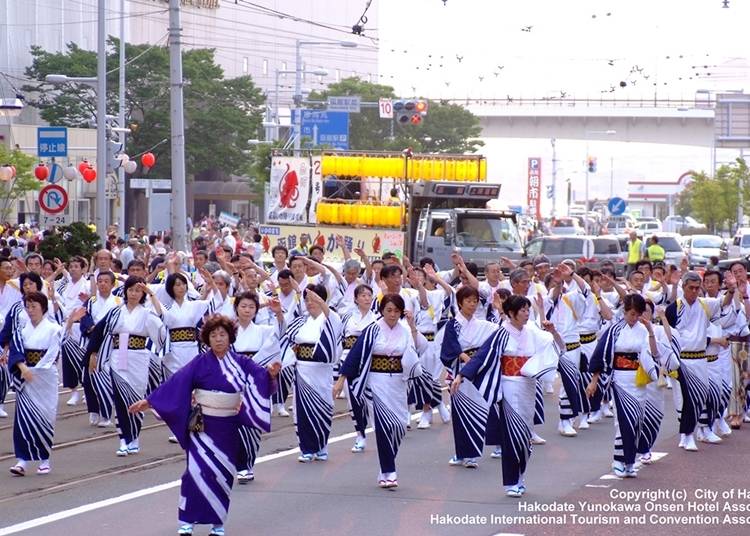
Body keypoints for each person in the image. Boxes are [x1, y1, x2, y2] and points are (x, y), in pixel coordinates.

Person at [128, 315, 280, 536]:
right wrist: (150, 401)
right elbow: (177, 382)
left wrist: (271, 374)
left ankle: (217, 522)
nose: (218, 339)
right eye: (213, 335)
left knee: (222, 474)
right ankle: (187, 520)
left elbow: (261, 379)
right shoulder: (200, 362)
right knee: (195, 472)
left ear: (230, 337)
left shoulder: (242, 363)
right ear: (207, 339)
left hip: (227, 426)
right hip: (202, 427)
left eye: (222, 335)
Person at [453, 295, 563, 497]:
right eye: (522, 310)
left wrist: (554, 332)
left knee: (525, 435)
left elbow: (556, 348)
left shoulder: (532, 332)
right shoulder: (501, 334)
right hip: (509, 386)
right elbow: (481, 356)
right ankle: (511, 482)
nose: (526, 313)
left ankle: (520, 475)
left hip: (529, 385)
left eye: (528, 310)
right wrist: (461, 375)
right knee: (512, 433)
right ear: (511, 313)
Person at [334, 293, 424, 489]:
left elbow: (418, 350)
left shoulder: (406, 330)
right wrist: (341, 379)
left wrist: (413, 326)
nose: (392, 314)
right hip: (377, 382)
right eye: (388, 310)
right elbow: (356, 355)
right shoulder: (373, 329)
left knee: (399, 426)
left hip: (398, 383)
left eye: (396, 311)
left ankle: (386, 466)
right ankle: (389, 471)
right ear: (382, 310)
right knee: (383, 427)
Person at [86, 276, 166, 456]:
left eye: (138, 290)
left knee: (136, 398)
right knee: (120, 398)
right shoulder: (116, 312)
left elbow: (161, 321)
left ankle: (135, 438)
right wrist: (93, 353)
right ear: (125, 291)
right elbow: (100, 331)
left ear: (142, 293)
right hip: (118, 353)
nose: (134, 294)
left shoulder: (146, 312)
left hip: (138, 356)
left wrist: (152, 294)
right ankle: (123, 440)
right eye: (131, 290)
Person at [588, 294, 658, 477]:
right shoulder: (614, 330)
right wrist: (595, 380)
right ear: (625, 311)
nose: (634, 318)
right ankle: (618, 460)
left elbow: (653, 353)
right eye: (631, 314)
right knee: (624, 421)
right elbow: (601, 355)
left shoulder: (644, 330)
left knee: (637, 421)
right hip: (620, 379)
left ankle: (629, 462)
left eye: (637, 314)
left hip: (639, 380)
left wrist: (650, 331)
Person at [280, 283, 342, 462]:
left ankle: (321, 445)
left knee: (323, 407)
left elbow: (334, 329)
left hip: (322, 371)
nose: (310, 303)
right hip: (302, 370)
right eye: (307, 300)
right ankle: (306, 448)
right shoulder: (301, 321)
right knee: (302, 410)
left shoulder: (331, 318)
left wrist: (321, 303)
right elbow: (288, 338)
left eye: (314, 299)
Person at [440, 286, 499, 469]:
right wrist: (466, 359)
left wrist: (501, 309)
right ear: (460, 303)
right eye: (468, 301)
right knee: (461, 414)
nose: (472, 305)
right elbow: (451, 348)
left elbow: (502, 331)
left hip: (479, 371)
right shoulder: (453, 324)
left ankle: (471, 454)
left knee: (479, 410)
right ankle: (461, 453)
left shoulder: (483, 325)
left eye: (475, 301)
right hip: (460, 370)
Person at [7, 291, 62, 476]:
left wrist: (37, 370)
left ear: (43, 308)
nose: (30, 311)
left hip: (45, 377)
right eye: (28, 307)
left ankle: (44, 459)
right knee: (22, 419)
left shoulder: (53, 329)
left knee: (45, 417)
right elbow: (15, 351)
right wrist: (24, 369)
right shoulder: (22, 330)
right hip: (26, 376)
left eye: (34, 306)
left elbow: (53, 353)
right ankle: (22, 460)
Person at [230, 291, 284, 483]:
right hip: (233, 382)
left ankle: (248, 464)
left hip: (256, 381)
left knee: (252, 425)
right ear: (236, 307)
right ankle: (241, 466)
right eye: (243, 306)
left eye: (251, 307)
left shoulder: (263, 330)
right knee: (234, 425)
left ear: (256, 310)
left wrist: (278, 314)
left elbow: (279, 336)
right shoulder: (228, 330)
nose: (247, 310)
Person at [338, 284, 377, 452]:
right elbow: (340, 340)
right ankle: (360, 435)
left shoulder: (377, 318)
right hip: (348, 360)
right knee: (353, 400)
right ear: (356, 299)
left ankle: (380, 429)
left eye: (369, 295)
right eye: (363, 295)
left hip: (369, 363)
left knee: (371, 398)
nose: (366, 298)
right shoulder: (347, 318)